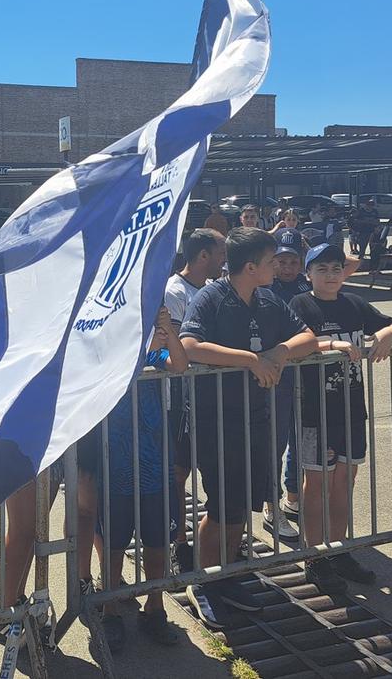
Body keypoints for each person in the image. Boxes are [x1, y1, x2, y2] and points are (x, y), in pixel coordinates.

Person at [179, 228, 318, 618]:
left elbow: (307, 337)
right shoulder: (211, 297)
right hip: (217, 419)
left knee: (242, 506)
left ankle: (228, 573)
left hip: (260, 418)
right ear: (251, 266)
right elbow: (189, 345)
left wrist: (278, 351)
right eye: (273, 261)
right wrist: (250, 359)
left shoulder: (269, 299)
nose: (278, 267)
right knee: (222, 505)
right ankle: (204, 581)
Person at [289, 244, 392, 594]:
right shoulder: (299, 305)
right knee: (317, 485)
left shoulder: (354, 303)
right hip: (315, 410)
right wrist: (328, 345)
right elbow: (290, 345)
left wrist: (386, 333)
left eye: (336, 268)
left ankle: (337, 548)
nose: (330, 275)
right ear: (308, 273)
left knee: (344, 482)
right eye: (322, 268)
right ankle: (315, 556)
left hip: (352, 408)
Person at [94, 307, 187, 651]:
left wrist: (167, 331)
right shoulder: (109, 350)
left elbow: (179, 364)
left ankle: (155, 606)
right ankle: (110, 609)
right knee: (115, 540)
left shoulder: (155, 353)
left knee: (157, 539)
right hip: (115, 459)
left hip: (153, 459)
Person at [163, 229, 227, 564]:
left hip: (211, 396)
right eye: (220, 252)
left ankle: (220, 534)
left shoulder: (217, 289)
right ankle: (179, 540)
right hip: (182, 398)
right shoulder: (175, 291)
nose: (224, 259)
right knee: (179, 471)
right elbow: (170, 346)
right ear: (203, 255)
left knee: (214, 468)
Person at [264, 237, 311, 534]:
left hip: (306, 375)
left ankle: (294, 497)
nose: (288, 267)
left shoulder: (308, 286)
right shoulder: (265, 289)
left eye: (294, 261)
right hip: (276, 377)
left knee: (301, 440)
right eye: (282, 261)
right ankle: (272, 506)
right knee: (275, 442)